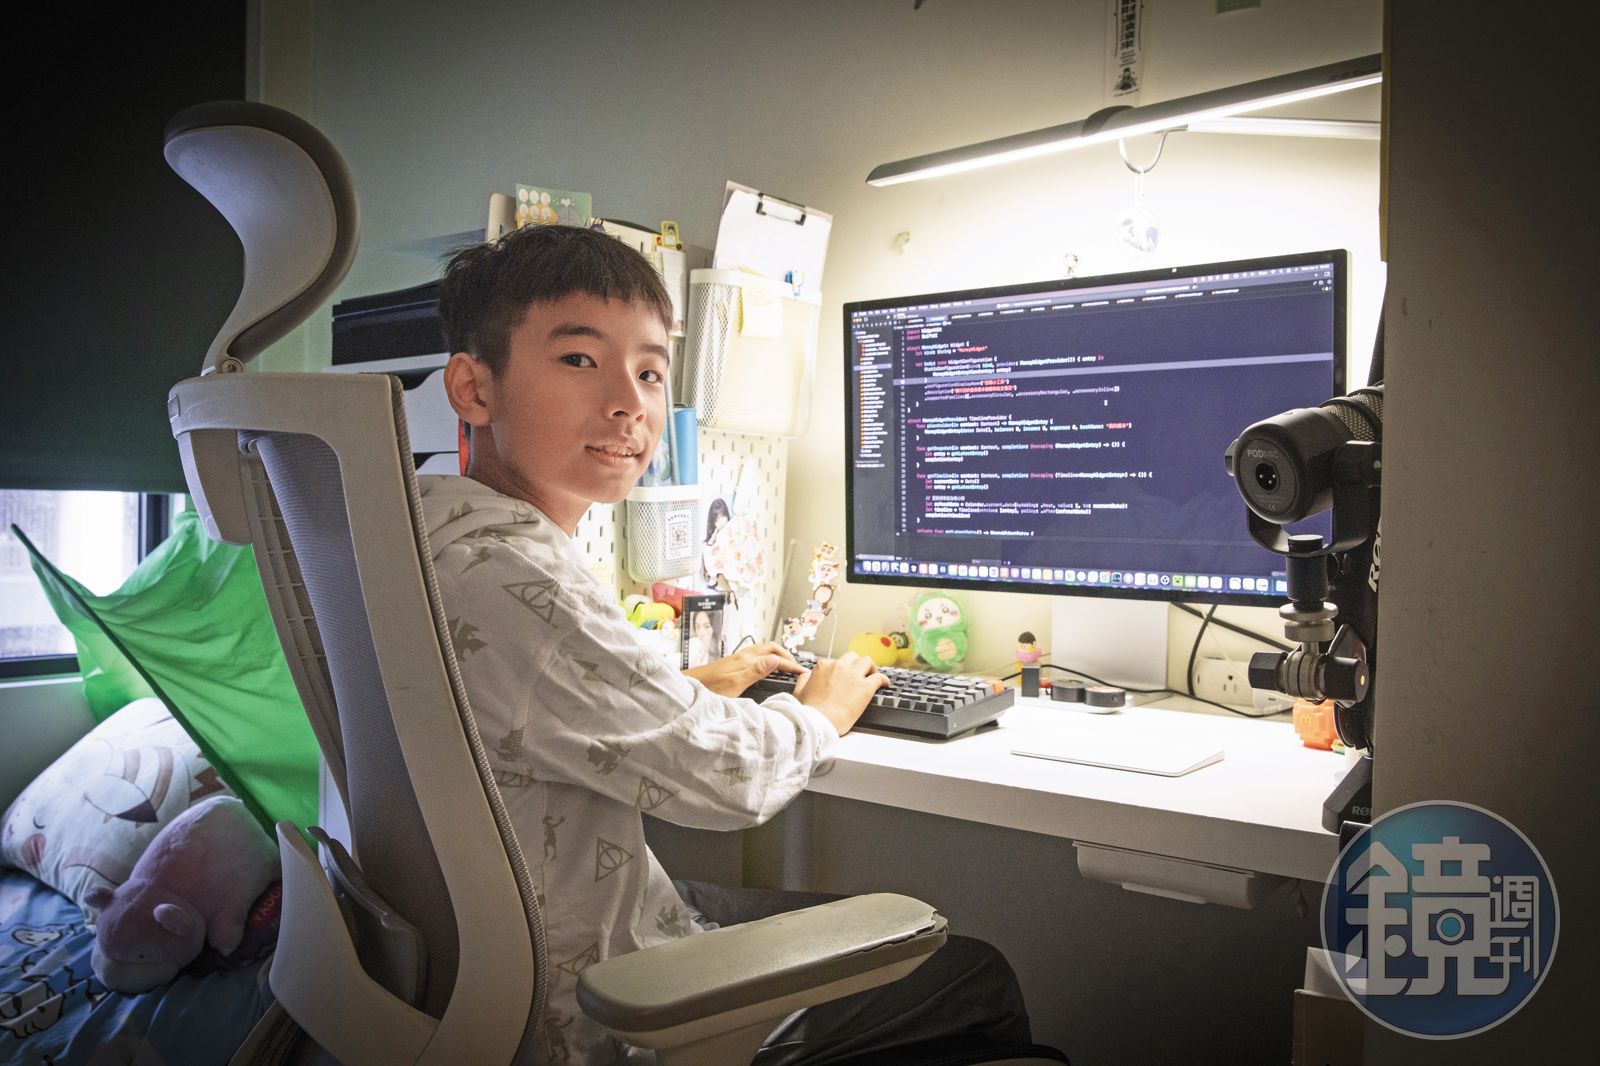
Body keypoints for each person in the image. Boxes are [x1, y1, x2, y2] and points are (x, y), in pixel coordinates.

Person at [431, 224, 1032, 1064]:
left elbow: (537, 707)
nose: (629, 404)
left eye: (649, 372)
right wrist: (819, 713)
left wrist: (691, 688)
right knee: (974, 974)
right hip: (595, 1004)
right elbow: (725, 782)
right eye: (580, 359)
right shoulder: (514, 575)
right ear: (473, 387)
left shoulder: (434, 531)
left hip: (488, 962)